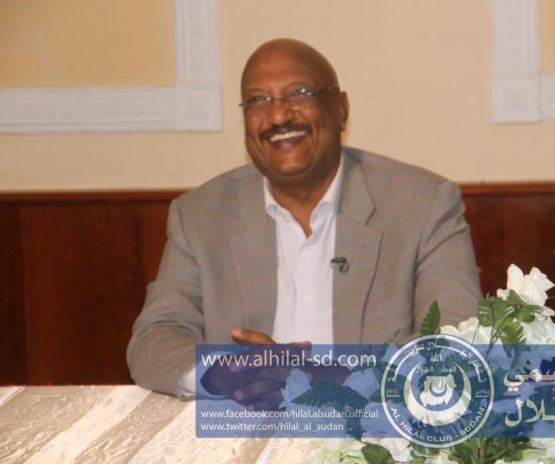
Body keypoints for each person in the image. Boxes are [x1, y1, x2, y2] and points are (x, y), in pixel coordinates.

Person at [127, 38, 481, 398]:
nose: (278, 116)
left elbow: (459, 336)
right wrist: (223, 375)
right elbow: (155, 335)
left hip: (369, 421)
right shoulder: (200, 215)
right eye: (258, 100)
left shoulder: (422, 204)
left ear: (341, 110)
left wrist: (332, 379)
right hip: (245, 420)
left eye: (299, 93)